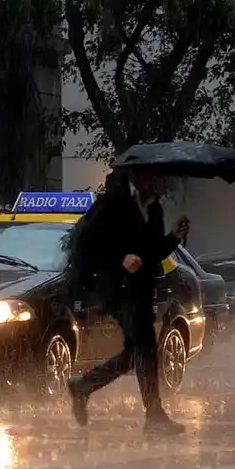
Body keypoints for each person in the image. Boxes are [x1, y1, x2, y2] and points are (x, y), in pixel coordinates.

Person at [68, 167, 190, 434]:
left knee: (136, 351)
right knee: (144, 346)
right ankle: (154, 415)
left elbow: (152, 251)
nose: (154, 181)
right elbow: (87, 242)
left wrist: (174, 237)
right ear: (135, 177)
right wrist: (120, 259)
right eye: (148, 176)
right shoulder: (113, 202)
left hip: (142, 289)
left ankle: (83, 386)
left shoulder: (154, 207)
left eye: (156, 177)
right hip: (117, 288)